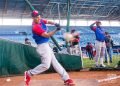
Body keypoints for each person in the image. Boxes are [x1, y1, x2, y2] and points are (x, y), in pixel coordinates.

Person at [24, 10, 75, 86]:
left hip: (46, 45)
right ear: (33, 18)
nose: (38, 18)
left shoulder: (40, 20)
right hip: (42, 46)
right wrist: (56, 29)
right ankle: (29, 73)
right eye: (36, 17)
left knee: (55, 63)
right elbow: (47, 35)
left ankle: (66, 79)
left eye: (38, 16)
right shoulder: (35, 27)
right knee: (46, 65)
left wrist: (55, 23)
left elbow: (47, 21)